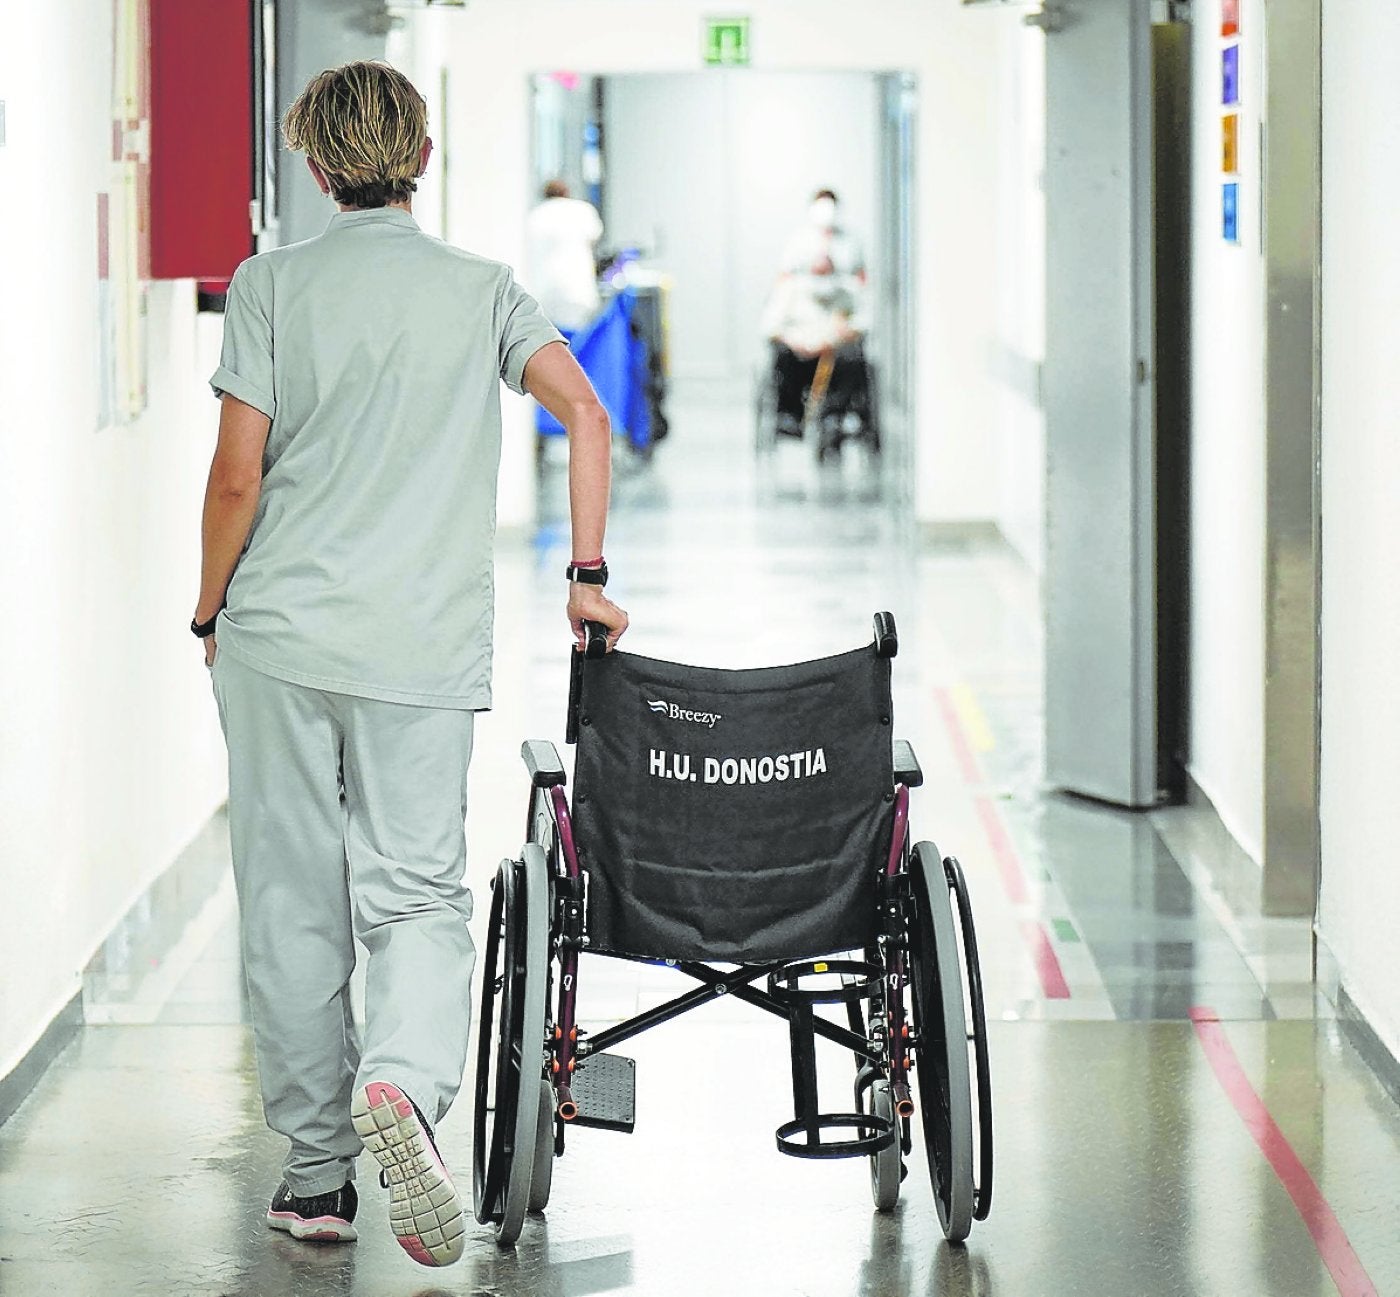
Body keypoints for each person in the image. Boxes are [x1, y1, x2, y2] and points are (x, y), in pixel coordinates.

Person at [192, 61, 627, 1269]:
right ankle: (403, 1086)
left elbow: (237, 477)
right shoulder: (483, 291)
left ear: (316, 167)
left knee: (289, 897)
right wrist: (583, 576)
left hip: (279, 639)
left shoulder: (271, 287)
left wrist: (206, 607)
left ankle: (318, 1178)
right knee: (416, 891)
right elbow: (587, 416)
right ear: (419, 161)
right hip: (421, 646)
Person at [762, 190, 871, 440]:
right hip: (799, 349)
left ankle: (835, 416)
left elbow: (863, 320)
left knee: (851, 359)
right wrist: (794, 342)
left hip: (834, 349)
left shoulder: (846, 290)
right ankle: (790, 416)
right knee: (784, 358)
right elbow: (770, 326)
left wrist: (843, 335)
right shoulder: (792, 289)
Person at [525, 178, 605, 332]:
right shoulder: (582, 210)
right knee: (577, 343)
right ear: (567, 193)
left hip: (544, 290)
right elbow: (594, 237)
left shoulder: (535, 216)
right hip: (576, 289)